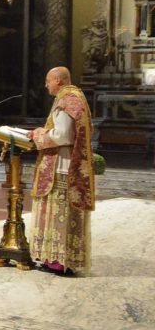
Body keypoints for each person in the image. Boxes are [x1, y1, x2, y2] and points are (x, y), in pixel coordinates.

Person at [27, 67, 96, 276]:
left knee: (58, 215)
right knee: (63, 214)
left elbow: (63, 135)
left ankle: (58, 261)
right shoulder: (77, 97)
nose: (46, 85)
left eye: (48, 81)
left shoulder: (66, 100)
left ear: (58, 80)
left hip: (61, 166)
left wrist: (39, 135)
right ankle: (59, 260)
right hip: (68, 165)